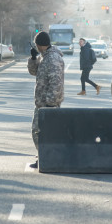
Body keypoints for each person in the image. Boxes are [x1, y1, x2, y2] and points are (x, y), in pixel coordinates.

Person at [27, 31, 64, 168]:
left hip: (48, 105)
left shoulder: (53, 58)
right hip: (42, 103)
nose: (36, 47)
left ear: (40, 45)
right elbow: (34, 72)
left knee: (40, 132)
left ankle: (48, 158)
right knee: (39, 132)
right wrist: (32, 59)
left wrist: (50, 103)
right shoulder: (44, 57)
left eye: (36, 45)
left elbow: (56, 82)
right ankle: (44, 157)